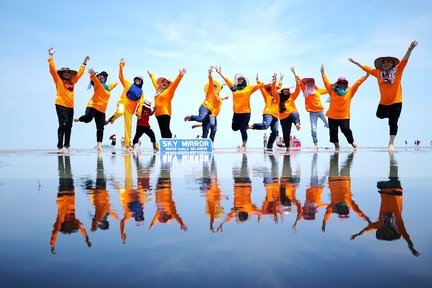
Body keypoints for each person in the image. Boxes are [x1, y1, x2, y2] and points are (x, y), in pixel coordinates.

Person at [348, 41, 418, 151]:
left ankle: (391, 143)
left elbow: (404, 61)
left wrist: (409, 50)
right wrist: (356, 63)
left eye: (388, 62)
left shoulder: (397, 71)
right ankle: (392, 116)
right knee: (379, 115)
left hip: (396, 101)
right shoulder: (378, 73)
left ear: (392, 64)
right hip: (384, 102)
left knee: (393, 122)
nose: (386, 63)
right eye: (384, 62)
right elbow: (367, 69)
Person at [351, 152, 420, 257]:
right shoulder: (398, 225)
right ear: (393, 233)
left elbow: (367, 229)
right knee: (393, 176)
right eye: (390, 235)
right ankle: (392, 157)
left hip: (385, 190)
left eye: (385, 235)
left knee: (379, 183)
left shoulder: (379, 224)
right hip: (396, 190)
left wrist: (357, 235)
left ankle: (390, 158)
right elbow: (406, 237)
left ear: (382, 233)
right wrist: (411, 248)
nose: (387, 233)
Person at [48, 48, 89, 153]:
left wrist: (84, 63)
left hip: (70, 106)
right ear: (61, 74)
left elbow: (80, 73)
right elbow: (52, 70)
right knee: (63, 125)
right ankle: (60, 146)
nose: (66, 74)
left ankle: (67, 144)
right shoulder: (58, 80)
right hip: (61, 105)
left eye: (68, 72)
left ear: (70, 74)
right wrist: (51, 56)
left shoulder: (72, 81)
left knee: (69, 126)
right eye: (64, 72)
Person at [320, 64, 369, 151]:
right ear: (337, 84)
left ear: (346, 83)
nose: (342, 84)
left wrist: (366, 76)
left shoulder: (350, 91)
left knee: (346, 129)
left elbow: (357, 83)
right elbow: (326, 82)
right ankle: (337, 145)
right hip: (332, 116)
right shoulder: (332, 90)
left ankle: (351, 141)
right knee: (333, 131)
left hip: (344, 116)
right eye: (340, 83)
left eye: (344, 82)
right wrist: (322, 72)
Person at [50, 156, 91, 254]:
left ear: (65, 224)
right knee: (68, 173)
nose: (71, 219)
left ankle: (61, 158)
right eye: (71, 221)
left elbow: (55, 231)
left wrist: (52, 245)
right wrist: (86, 238)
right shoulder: (74, 221)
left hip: (62, 194)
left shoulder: (60, 220)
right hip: (71, 192)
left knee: (62, 174)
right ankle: (67, 158)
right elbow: (82, 228)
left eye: (69, 221)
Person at [215, 67, 262, 151]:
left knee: (242, 129)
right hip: (236, 113)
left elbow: (260, 86)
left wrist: (267, 82)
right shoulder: (234, 88)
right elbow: (226, 79)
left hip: (246, 112)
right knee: (234, 128)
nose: (240, 79)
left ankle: (244, 145)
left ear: (244, 80)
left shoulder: (249, 88)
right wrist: (219, 72)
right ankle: (245, 125)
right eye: (239, 79)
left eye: (241, 78)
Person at [322, 152, 370, 233]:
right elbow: (359, 212)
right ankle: (351, 153)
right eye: (345, 211)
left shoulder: (334, 205)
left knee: (337, 161)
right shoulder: (348, 203)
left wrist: (324, 223)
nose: (343, 210)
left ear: (339, 210)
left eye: (342, 212)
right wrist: (366, 219)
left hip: (336, 178)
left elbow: (328, 213)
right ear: (347, 210)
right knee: (345, 162)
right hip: (342, 178)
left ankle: (346, 153)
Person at [105, 58, 145, 151]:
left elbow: (141, 103)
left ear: (141, 82)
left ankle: (127, 145)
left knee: (128, 127)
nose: (138, 81)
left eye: (140, 80)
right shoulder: (128, 84)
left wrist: (139, 112)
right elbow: (121, 77)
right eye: (137, 79)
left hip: (131, 110)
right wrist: (121, 66)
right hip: (122, 103)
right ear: (134, 80)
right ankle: (111, 119)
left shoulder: (141, 92)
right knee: (120, 111)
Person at [74, 68, 117, 151]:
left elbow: (112, 85)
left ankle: (99, 145)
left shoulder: (107, 87)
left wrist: (116, 83)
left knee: (100, 128)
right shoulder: (98, 84)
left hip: (102, 110)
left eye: (103, 77)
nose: (101, 78)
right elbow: (94, 79)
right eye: (100, 76)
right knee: (87, 119)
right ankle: (80, 118)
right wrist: (93, 75)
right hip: (92, 106)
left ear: (105, 79)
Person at [291, 66, 328, 150]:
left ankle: (326, 125)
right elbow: (299, 81)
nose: (310, 83)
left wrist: (323, 73)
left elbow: (329, 89)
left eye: (312, 82)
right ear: (306, 83)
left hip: (321, 111)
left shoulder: (318, 90)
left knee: (328, 125)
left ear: (314, 83)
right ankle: (315, 143)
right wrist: (294, 72)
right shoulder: (305, 89)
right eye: (309, 82)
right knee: (313, 128)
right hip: (312, 113)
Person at [147, 68, 187, 138]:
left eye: (166, 82)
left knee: (166, 129)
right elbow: (154, 82)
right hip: (157, 113)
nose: (164, 83)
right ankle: (165, 144)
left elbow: (175, 84)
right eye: (163, 82)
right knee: (162, 130)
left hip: (165, 113)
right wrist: (151, 75)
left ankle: (170, 140)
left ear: (168, 84)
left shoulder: (169, 91)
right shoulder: (158, 90)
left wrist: (180, 75)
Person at [248, 73, 282, 151]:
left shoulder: (278, 98)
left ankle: (269, 146)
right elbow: (262, 89)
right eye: (270, 90)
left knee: (275, 132)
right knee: (265, 125)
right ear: (269, 91)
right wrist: (258, 81)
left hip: (276, 116)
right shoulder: (267, 96)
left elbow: (279, 88)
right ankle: (253, 126)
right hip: (268, 113)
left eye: (273, 91)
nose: (271, 92)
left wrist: (279, 81)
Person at [271, 73, 301, 151]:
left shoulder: (292, 96)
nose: (287, 91)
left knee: (295, 113)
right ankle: (287, 147)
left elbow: (297, 91)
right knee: (286, 133)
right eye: (285, 90)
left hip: (291, 114)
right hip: (283, 117)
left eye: (288, 90)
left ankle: (297, 124)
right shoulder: (278, 97)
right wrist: (274, 82)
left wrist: (297, 83)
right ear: (282, 90)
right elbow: (273, 91)